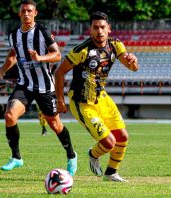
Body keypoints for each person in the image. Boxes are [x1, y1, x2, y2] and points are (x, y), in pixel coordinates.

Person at [0, 0, 77, 176]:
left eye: (30, 10)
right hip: (25, 84)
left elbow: (57, 55)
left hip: (45, 87)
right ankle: (16, 158)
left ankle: (71, 155)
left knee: (54, 124)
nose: (26, 13)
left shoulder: (42, 32)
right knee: (9, 115)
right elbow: (13, 55)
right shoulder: (13, 35)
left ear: (35, 13)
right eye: (23, 11)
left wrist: (40, 58)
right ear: (19, 13)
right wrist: (0, 74)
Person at [55, 11, 139, 182]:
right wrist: (60, 100)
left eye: (102, 27)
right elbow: (59, 72)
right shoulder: (81, 50)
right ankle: (93, 154)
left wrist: (133, 62)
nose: (99, 31)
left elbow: (132, 67)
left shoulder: (116, 45)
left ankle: (111, 173)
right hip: (82, 103)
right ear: (90, 30)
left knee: (122, 137)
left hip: (102, 98)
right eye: (95, 27)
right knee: (109, 143)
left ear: (108, 28)